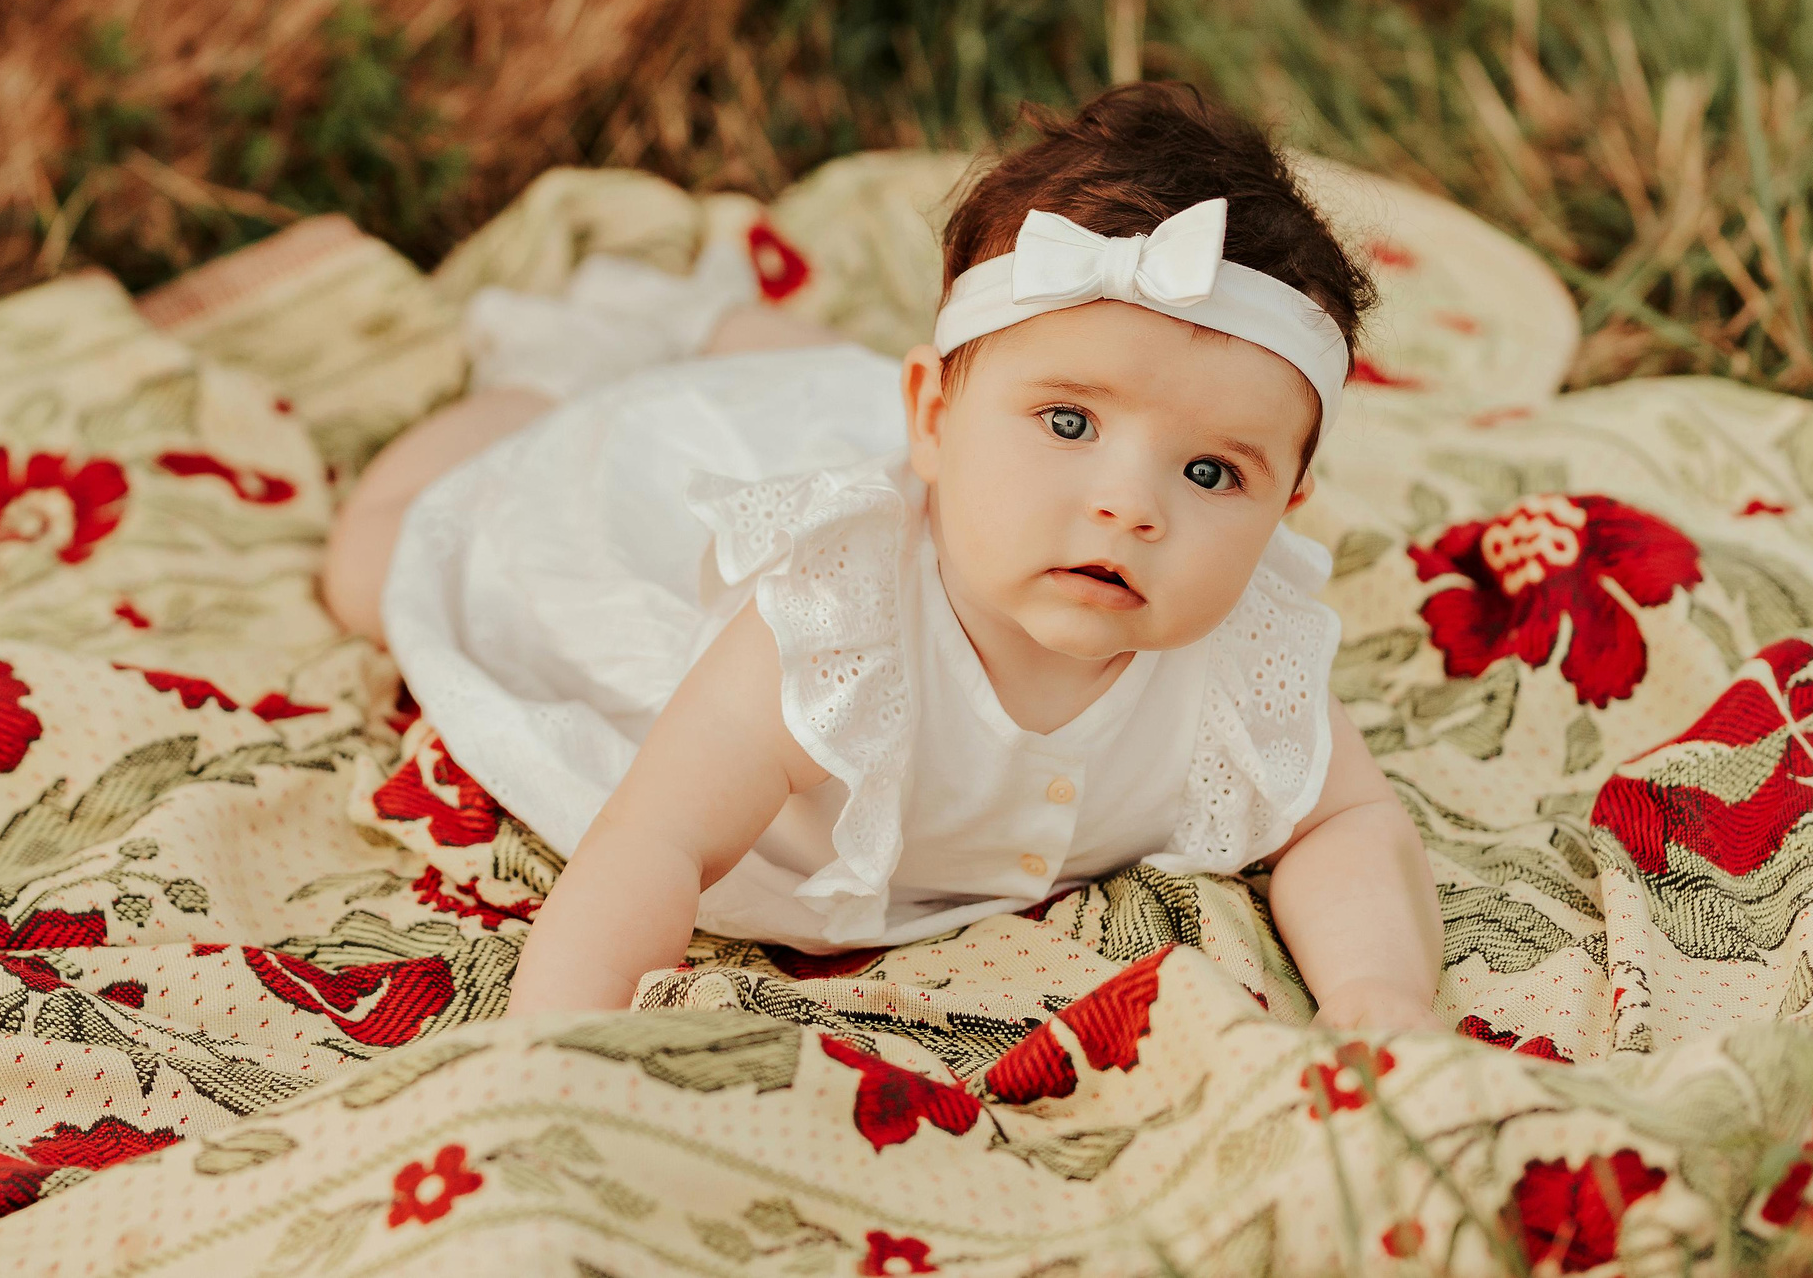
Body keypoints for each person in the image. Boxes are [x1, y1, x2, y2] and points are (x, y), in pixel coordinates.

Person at [320, 83, 1444, 1029]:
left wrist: (1379, 1005)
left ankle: (744, 336)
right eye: (1068, 423)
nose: (1128, 507)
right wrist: (554, 1053)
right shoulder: (830, 622)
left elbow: (1347, 819)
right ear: (934, 421)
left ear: (1288, 507)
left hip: (900, 429)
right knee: (388, 572)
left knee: (834, 395)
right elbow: (651, 842)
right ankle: (543, 383)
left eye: (1211, 474)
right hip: (657, 494)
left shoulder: (1246, 649)